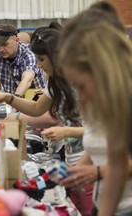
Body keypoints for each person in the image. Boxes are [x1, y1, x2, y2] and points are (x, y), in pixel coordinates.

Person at [0, 28, 93, 216]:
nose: (38, 65)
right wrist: (9, 98)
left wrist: (66, 132)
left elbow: (104, 130)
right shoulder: (56, 84)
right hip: (73, 162)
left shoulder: (83, 85)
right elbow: (37, 109)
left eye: (42, 59)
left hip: (91, 163)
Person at [57, 3, 132, 215]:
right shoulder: (109, 99)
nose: (82, 97)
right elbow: (117, 168)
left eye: (81, 86)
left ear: (102, 68)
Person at [0, 23, 46, 110]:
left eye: (5, 44)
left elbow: (27, 80)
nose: (1, 49)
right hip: (11, 103)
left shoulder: (28, 53)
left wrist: (14, 105)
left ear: (17, 40)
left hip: (35, 103)